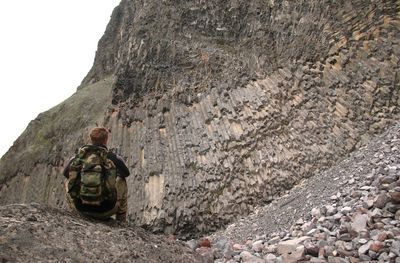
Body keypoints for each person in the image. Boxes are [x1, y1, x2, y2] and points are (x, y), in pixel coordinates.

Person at [63, 127, 130, 222]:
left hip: (81, 209)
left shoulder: (79, 157)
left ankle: (73, 212)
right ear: (106, 140)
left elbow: (65, 173)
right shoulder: (113, 157)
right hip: (106, 210)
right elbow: (126, 173)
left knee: (67, 180)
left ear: (91, 139)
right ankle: (121, 219)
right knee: (122, 180)